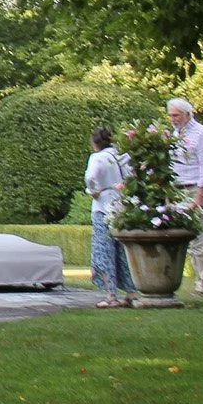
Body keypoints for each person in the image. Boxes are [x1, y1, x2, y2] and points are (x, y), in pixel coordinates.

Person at [167, 97, 203, 296]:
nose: (173, 119)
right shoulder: (175, 134)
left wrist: (200, 196)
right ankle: (188, 281)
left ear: (188, 114)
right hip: (178, 190)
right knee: (181, 239)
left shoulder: (201, 134)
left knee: (199, 238)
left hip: (195, 189)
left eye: (176, 115)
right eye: (171, 115)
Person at [85, 125, 138, 308]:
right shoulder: (122, 156)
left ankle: (111, 295)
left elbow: (91, 177)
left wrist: (93, 191)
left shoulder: (97, 157)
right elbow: (133, 176)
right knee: (123, 250)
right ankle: (131, 291)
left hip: (102, 206)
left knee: (103, 250)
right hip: (122, 205)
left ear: (95, 143)